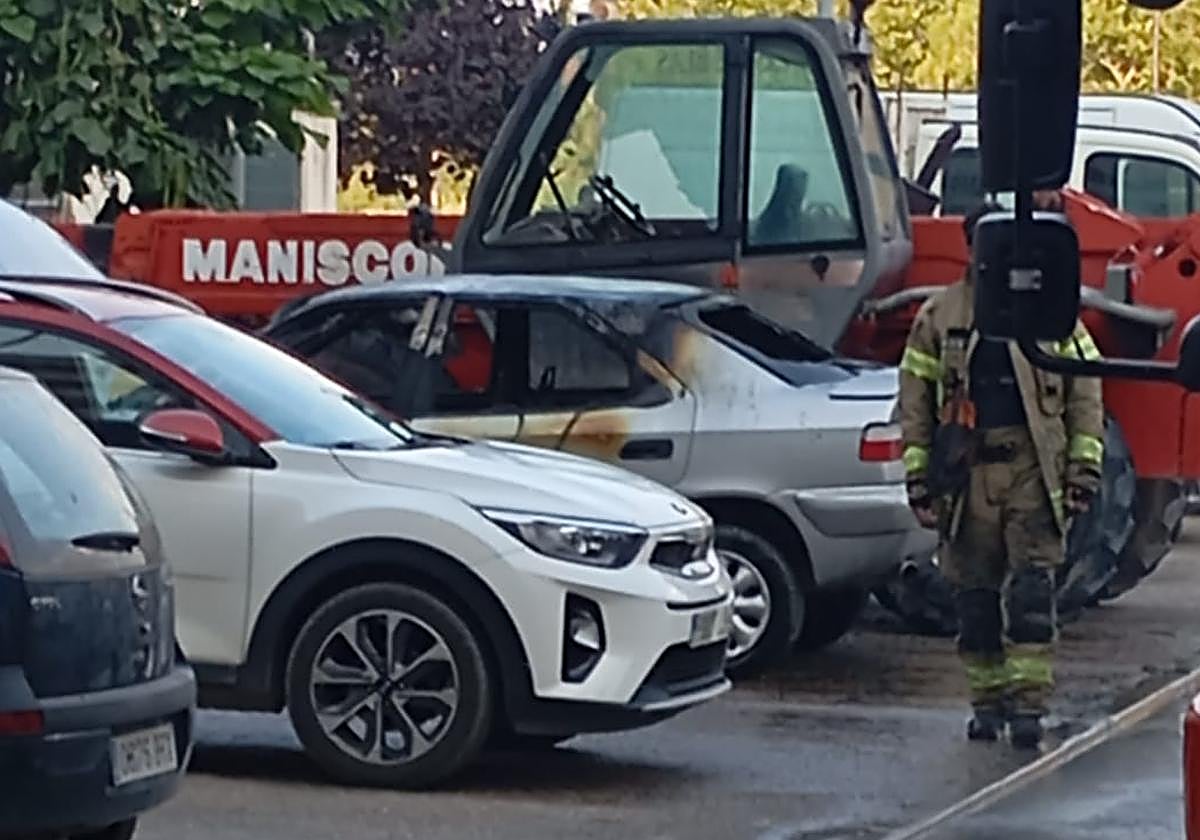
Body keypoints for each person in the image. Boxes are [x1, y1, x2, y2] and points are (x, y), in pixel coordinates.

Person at [897, 191, 1106, 749]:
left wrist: (1084, 468)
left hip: (1032, 470)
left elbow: (1086, 394)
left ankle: (1029, 711)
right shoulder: (940, 315)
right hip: (967, 477)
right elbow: (915, 399)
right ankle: (986, 706)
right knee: (974, 597)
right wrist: (919, 476)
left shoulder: (1049, 310)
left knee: (1033, 594)